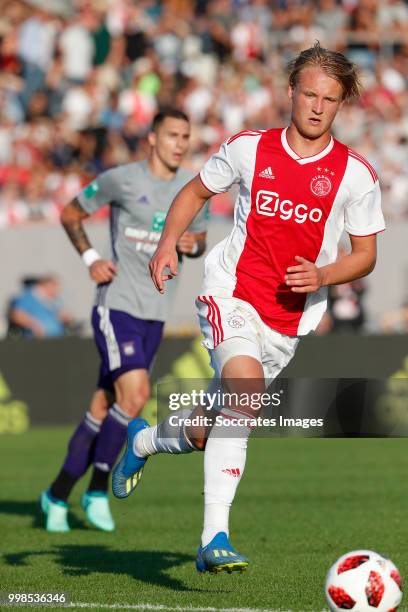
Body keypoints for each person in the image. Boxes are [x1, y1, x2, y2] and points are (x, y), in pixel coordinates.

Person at [112, 43, 385, 573]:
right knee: (246, 392)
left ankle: (142, 440)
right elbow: (193, 192)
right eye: (309, 93)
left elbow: (367, 255)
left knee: (205, 428)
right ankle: (214, 537)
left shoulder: (356, 175)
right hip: (231, 295)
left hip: (288, 322)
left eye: (329, 99)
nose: (317, 106)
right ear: (291, 92)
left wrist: (324, 274)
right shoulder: (248, 148)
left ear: (340, 104)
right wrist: (169, 243)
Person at [41, 108, 209, 532]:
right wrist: (91, 257)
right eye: (172, 134)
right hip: (116, 306)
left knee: (104, 405)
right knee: (134, 397)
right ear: (152, 138)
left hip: (155, 315)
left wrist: (191, 244)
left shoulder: (193, 188)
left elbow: (200, 240)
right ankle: (98, 490)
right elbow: (70, 213)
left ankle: (57, 494)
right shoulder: (123, 179)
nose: (180, 143)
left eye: (185, 136)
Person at [8, 275, 73, 338]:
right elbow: (17, 315)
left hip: (56, 340)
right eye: (54, 286)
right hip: (36, 341)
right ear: (46, 285)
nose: (57, 289)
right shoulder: (28, 297)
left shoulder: (54, 301)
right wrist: (34, 325)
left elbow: (62, 315)